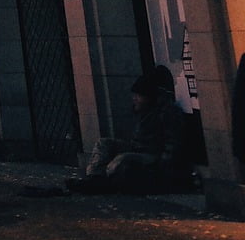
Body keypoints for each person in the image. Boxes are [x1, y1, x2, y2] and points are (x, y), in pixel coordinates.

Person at [69, 65, 188, 194]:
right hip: (138, 148)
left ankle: (100, 183)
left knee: (122, 159)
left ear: (150, 96)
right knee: (103, 143)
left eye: (139, 96)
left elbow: (172, 143)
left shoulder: (167, 112)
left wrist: (164, 168)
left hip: (152, 154)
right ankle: (94, 178)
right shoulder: (146, 110)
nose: (134, 98)